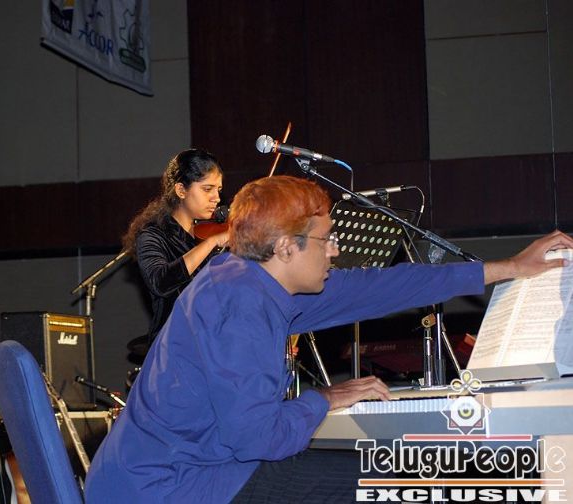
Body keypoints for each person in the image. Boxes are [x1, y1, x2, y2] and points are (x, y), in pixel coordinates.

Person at [87, 175, 573, 503]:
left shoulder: (252, 279)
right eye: (327, 239)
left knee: (397, 471)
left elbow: (381, 287)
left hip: (178, 470)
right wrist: (323, 398)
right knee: (396, 481)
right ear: (285, 247)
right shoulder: (240, 306)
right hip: (168, 487)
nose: (336, 251)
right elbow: (259, 439)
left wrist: (509, 268)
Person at [123, 148, 229, 347]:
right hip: (174, 346)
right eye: (207, 189)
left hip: (214, 344)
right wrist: (211, 243)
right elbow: (160, 282)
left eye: (218, 189)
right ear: (181, 190)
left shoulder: (212, 232)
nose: (216, 198)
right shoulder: (152, 235)